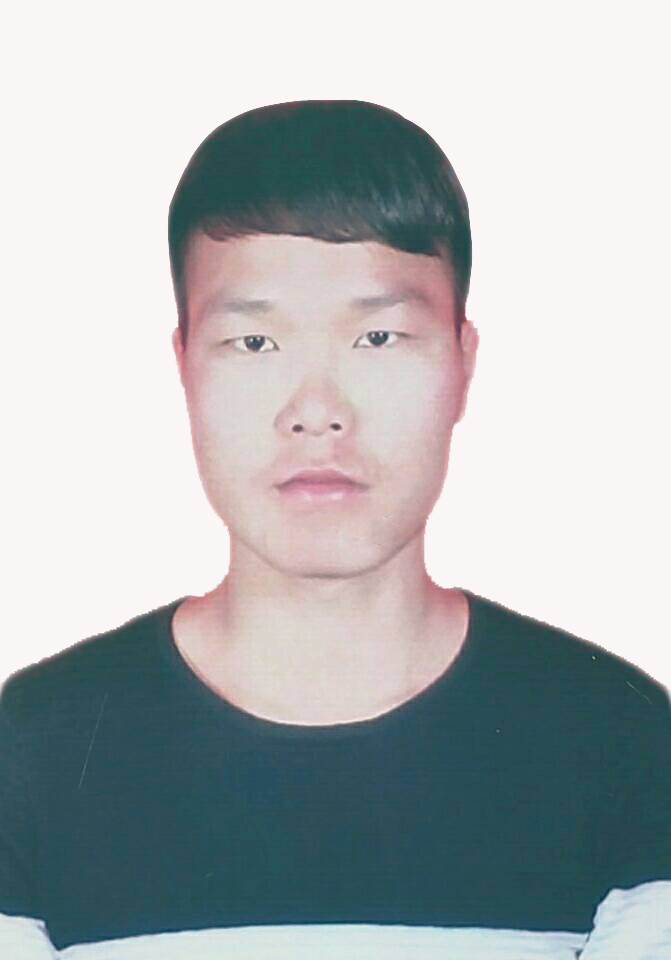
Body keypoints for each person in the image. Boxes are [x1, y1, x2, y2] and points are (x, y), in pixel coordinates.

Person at [0, 100, 669, 959]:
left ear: (463, 363)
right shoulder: (35, 749)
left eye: (378, 337)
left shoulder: (616, 740)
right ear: (183, 367)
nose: (316, 410)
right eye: (253, 342)